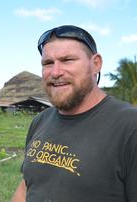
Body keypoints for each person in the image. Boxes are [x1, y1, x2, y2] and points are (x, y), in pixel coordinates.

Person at [12, 25, 137, 202]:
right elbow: (27, 185)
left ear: (96, 64)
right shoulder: (40, 121)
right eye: (48, 63)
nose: (55, 72)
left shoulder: (130, 127)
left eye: (67, 60)